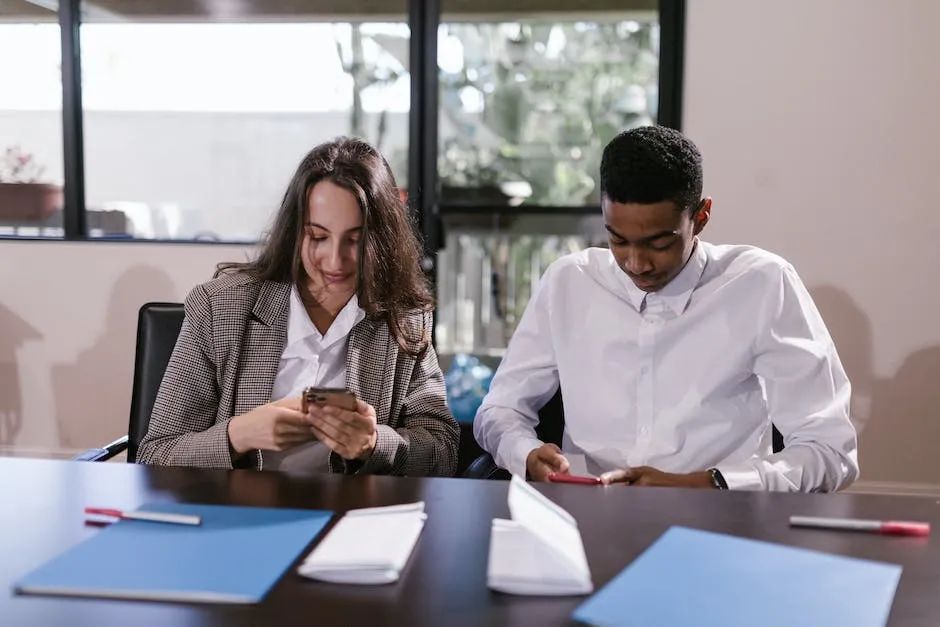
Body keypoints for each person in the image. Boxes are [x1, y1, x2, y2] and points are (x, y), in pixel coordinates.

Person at [474, 126, 858, 492]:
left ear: (701, 216)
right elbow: (498, 411)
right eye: (618, 241)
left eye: (659, 244)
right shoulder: (567, 282)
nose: (637, 263)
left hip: (717, 521)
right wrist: (526, 453)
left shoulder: (762, 284)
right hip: (586, 516)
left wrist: (710, 483)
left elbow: (830, 452)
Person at [138, 137, 459, 476]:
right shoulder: (220, 307)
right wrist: (240, 435)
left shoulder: (404, 319)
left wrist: (375, 444)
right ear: (295, 233)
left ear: (381, 240)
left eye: (356, 239)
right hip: (238, 515)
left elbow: (444, 453)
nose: (335, 260)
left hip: (351, 516)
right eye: (318, 237)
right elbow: (156, 453)